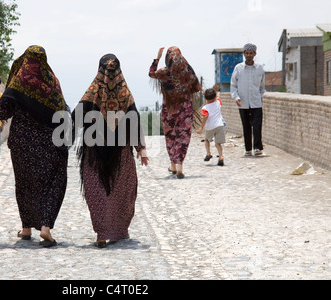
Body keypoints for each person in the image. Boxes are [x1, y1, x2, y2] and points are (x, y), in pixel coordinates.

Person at [0, 46, 69, 248]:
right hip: (50, 144)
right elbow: (63, 111)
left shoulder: (18, 83)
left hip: (22, 144)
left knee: (25, 184)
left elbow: (1, 111)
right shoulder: (52, 82)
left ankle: (26, 229)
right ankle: (46, 227)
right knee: (52, 183)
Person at [72, 54, 149, 248]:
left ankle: (101, 232)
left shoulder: (92, 92)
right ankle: (118, 230)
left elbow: (75, 117)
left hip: (93, 151)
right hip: (121, 153)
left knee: (96, 189)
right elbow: (134, 119)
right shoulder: (124, 93)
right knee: (121, 190)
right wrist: (141, 148)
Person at [149, 46, 202, 179]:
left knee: (171, 136)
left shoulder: (165, 72)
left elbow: (151, 73)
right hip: (186, 109)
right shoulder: (188, 71)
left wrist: (157, 58)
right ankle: (178, 167)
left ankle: (173, 164)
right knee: (183, 137)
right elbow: (196, 86)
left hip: (169, 110)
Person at [231, 43, 266, 156]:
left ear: (254, 54)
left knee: (257, 125)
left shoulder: (260, 68)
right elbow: (233, 85)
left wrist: (260, 97)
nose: (249, 55)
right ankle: (248, 149)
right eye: (247, 53)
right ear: (244, 54)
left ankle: (257, 147)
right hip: (243, 103)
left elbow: (262, 86)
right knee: (246, 126)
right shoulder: (238, 68)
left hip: (256, 103)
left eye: (251, 53)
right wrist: (236, 97)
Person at [197, 88, 226, 166]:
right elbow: (218, 96)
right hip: (219, 125)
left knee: (206, 140)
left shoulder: (205, 108)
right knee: (218, 144)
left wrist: (201, 127)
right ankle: (221, 157)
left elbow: (205, 118)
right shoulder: (218, 103)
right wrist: (216, 90)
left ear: (205, 98)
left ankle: (208, 153)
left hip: (210, 127)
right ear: (214, 97)